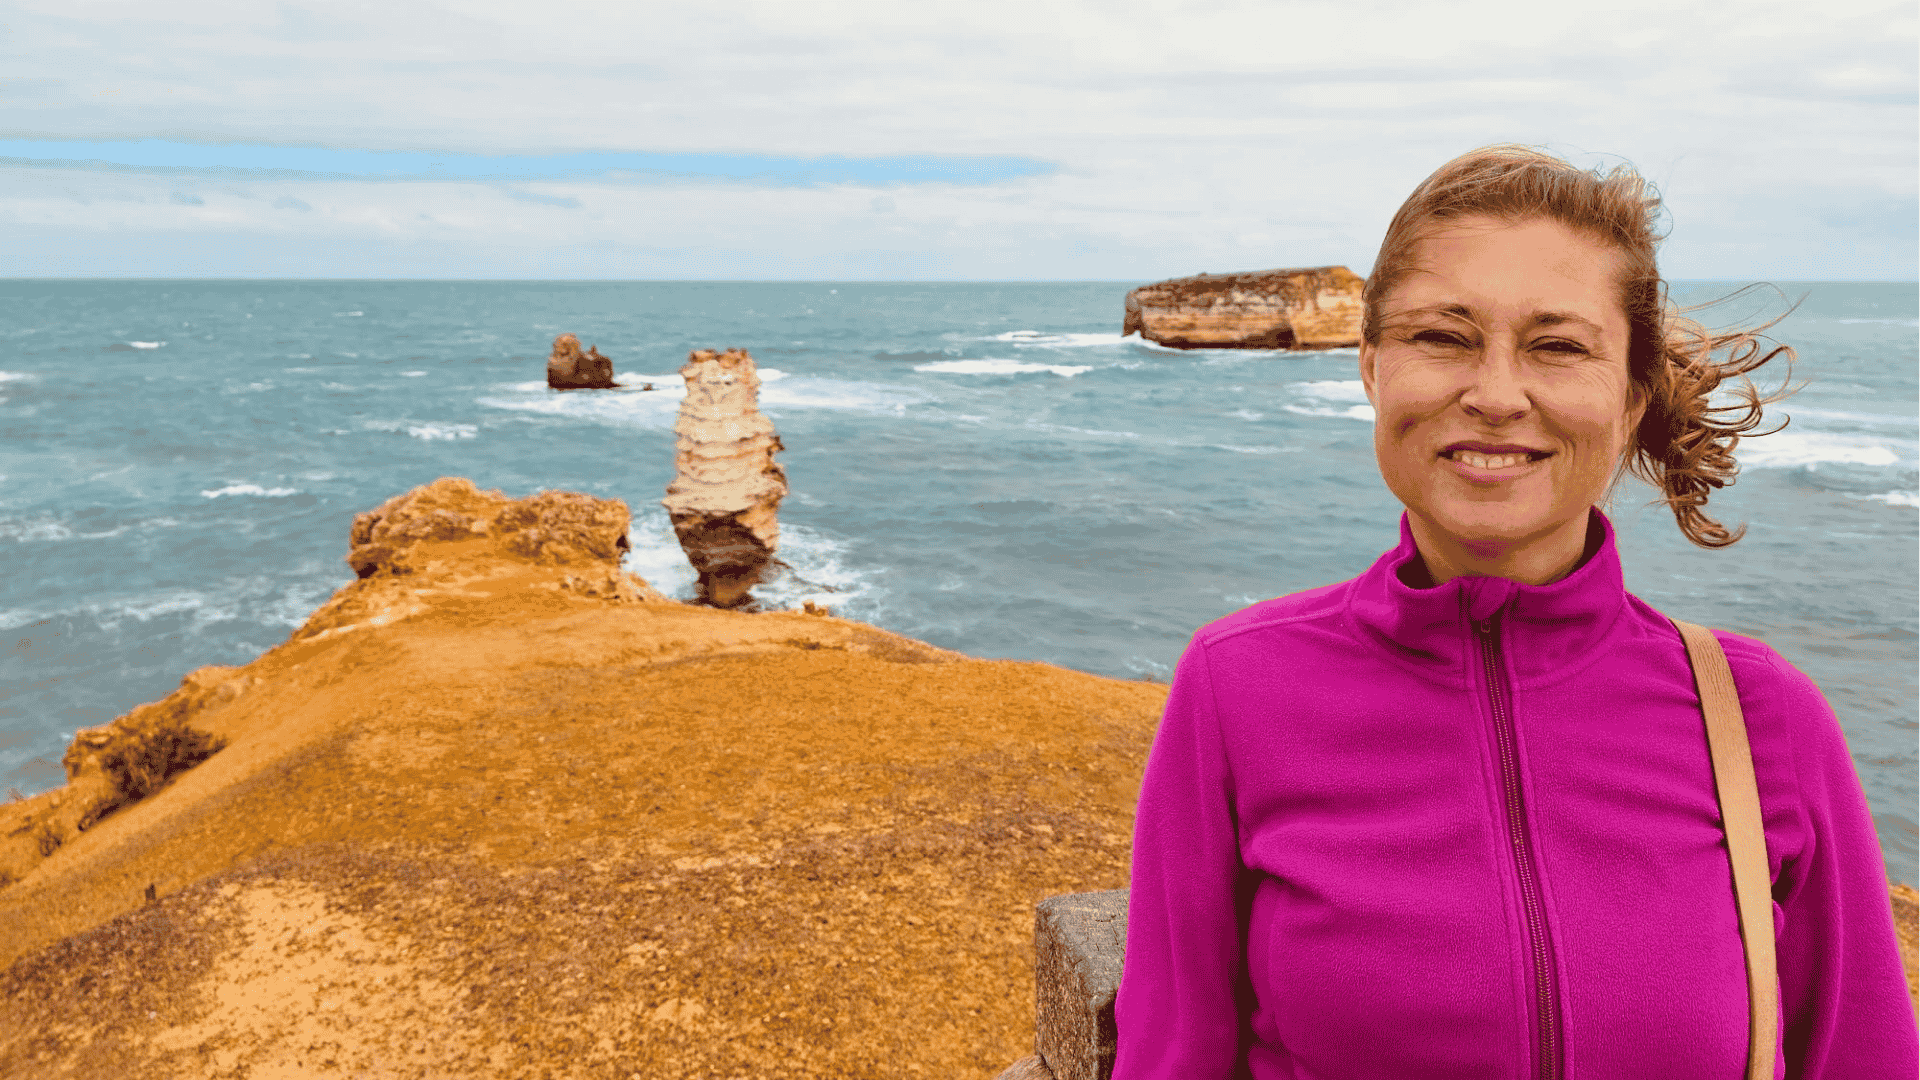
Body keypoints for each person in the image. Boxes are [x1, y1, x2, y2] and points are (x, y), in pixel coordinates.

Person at [1112, 145, 1919, 1078]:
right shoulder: (1236, 687)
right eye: (1443, 337)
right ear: (1371, 368)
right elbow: (1173, 1055)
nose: (1495, 395)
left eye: (1559, 345)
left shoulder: (1760, 717)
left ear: (1632, 393)